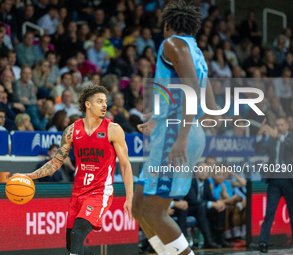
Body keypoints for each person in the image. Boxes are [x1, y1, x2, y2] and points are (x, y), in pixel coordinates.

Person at [131, 2, 216, 255]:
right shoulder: (197, 51)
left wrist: (180, 136)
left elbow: (189, 91)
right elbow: (209, 103)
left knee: (155, 213)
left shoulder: (172, 43)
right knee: (138, 207)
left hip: (178, 134)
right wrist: (159, 116)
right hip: (177, 129)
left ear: (168, 25)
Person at [14, 85, 134, 255]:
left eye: (105, 102)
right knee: (72, 245)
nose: (104, 105)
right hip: (78, 193)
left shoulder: (113, 129)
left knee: (78, 233)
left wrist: (129, 197)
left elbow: (125, 164)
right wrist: (30, 176)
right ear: (88, 104)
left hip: (100, 193)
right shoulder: (71, 131)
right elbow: (56, 162)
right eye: (100, 101)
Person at [251, 117, 293, 253]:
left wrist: (279, 136)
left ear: (287, 125)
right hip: (274, 179)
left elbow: (290, 144)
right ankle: (263, 242)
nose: (279, 127)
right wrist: (259, 135)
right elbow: (258, 149)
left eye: (282, 125)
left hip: (288, 179)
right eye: (277, 125)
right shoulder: (273, 139)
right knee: (269, 211)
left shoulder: (289, 137)